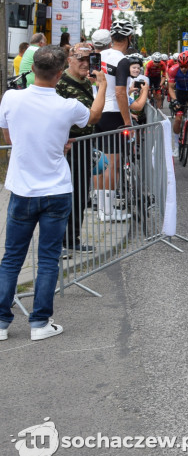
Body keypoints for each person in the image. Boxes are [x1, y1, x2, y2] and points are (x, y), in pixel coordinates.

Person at [0, 46, 96, 341]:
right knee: (48, 258)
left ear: (33, 70)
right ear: (59, 74)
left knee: (12, 257)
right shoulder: (67, 106)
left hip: (23, 189)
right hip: (56, 190)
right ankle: (40, 323)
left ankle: (1, 323)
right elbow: (92, 117)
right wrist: (101, 86)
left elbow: (10, 137)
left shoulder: (11, 97)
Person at [55, 42, 109, 255]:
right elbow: (87, 116)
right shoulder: (61, 83)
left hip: (84, 146)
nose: (86, 64)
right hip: (68, 147)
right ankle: (61, 242)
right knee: (66, 195)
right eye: (81, 59)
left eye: (90, 59)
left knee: (80, 194)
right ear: (69, 60)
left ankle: (72, 238)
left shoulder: (87, 82)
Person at [95, 20, 137, 222]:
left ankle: (102, 208)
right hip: (113, 114)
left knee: (99, 162)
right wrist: (128, 121)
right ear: (129, 38)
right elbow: (120, 92)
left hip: (97, 111)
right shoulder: (122, 61)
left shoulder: (99, 55)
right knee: (113, 164)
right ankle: (108, 211)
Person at [166, 51, 188, 143]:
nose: (183, 69)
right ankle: (176, 144)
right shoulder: (173, 70)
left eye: (185, 66)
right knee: (178, 118)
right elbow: (170, 88)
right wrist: (175, 100)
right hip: (180, 92)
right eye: (181, 66)